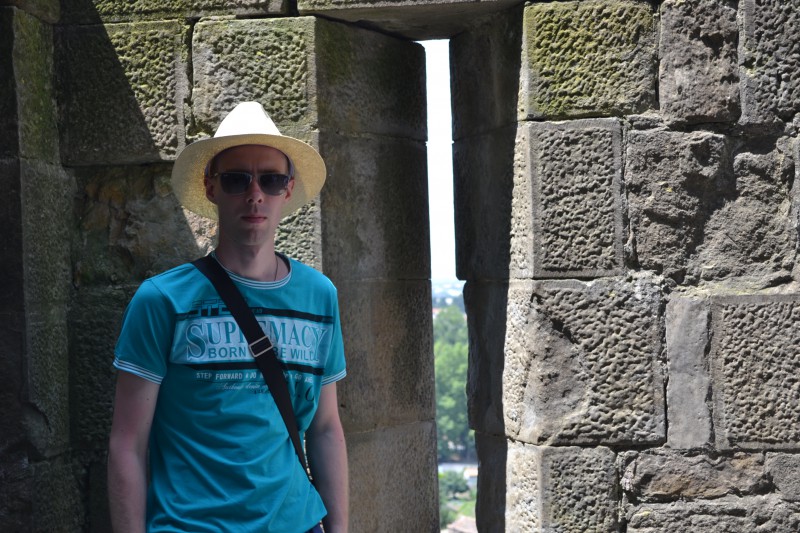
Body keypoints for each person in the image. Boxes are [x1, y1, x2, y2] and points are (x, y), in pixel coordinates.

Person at [107, 102, 348, 533]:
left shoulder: (319, 297)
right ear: (211, 187)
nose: (255, 194)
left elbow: (326, 429)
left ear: (288, 189)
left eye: (271, 179)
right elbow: (128, 443)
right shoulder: (162, 300)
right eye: (237, 179)